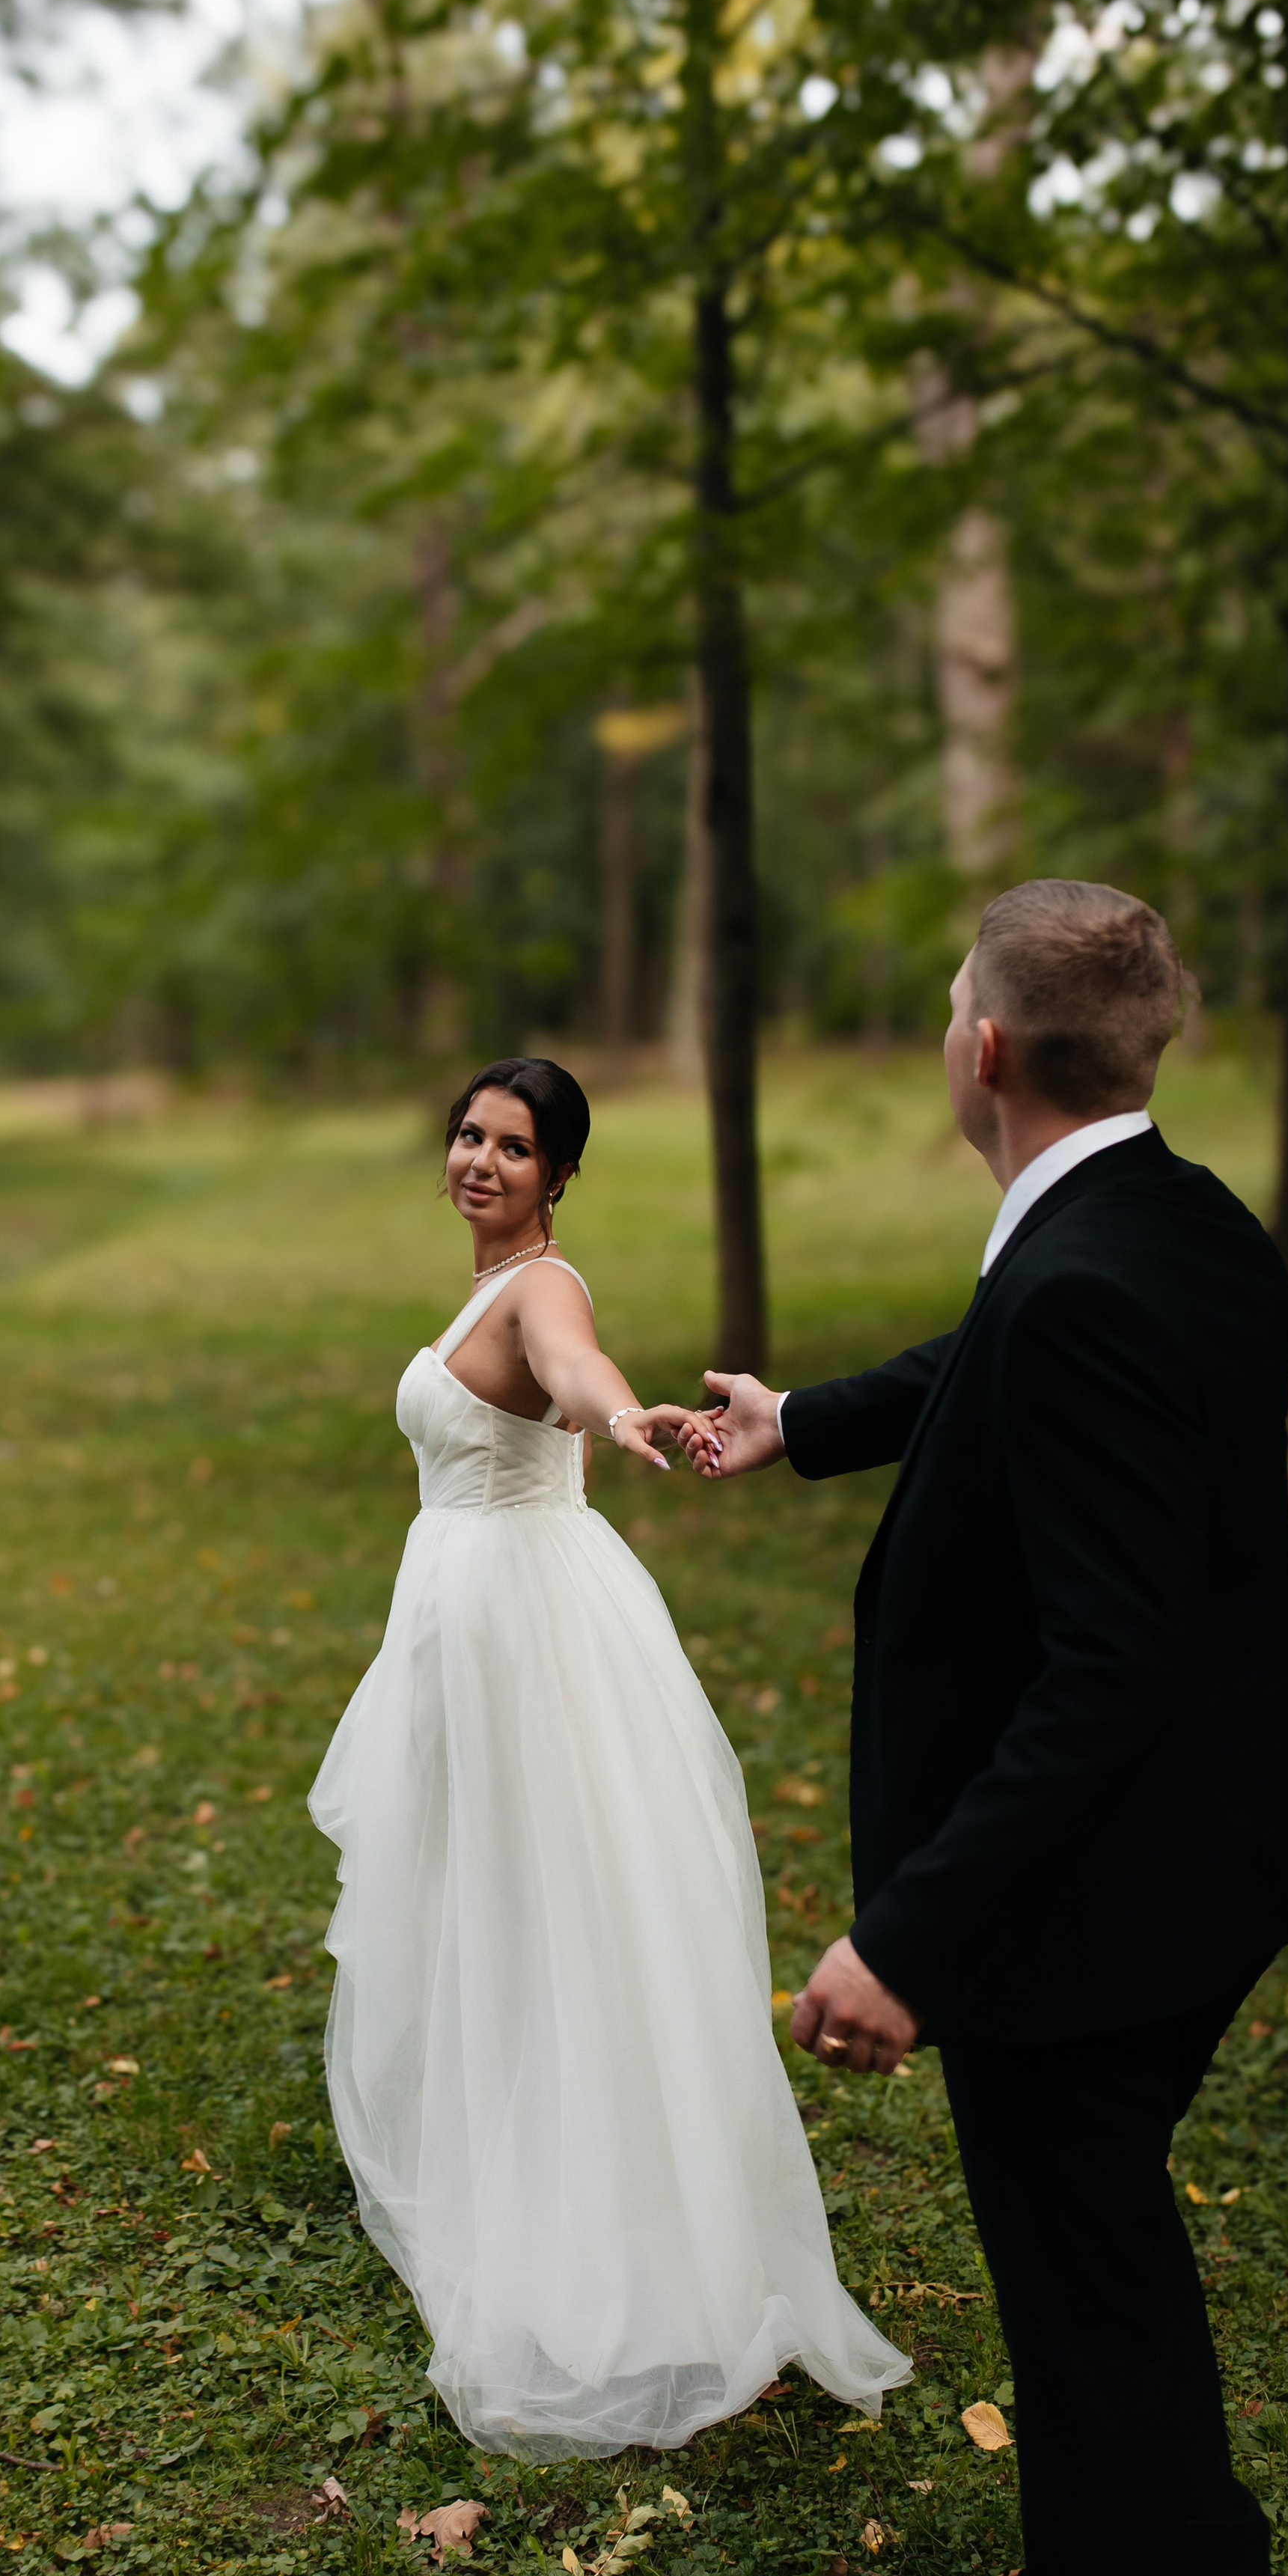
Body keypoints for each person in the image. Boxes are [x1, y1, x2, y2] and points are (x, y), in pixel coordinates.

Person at [683, 883, 1288, 2576]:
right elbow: (1001, 1356)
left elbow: (1106, 1668)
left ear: (981, 1049)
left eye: (945, 1005)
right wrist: (803, 1420)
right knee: (1110, 2247)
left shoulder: (1075, 1284)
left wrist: (910, 1937)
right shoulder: (1172, 1220)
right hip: (1212, 1851)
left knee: (1076, 2304)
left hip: (1102, 1903)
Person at [311, 1054, 909, 2459]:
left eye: (514, 1147)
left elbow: (576, 1373)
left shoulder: (543, 1287)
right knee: (488, 1897)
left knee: (555, 1901)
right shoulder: (486, 1287)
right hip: (470, 1621)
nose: (480, 1161)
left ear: (559, 1175)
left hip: (523, 1629)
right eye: (468, 1134)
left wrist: (626, 1413)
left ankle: (597, 2214)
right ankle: (504, 2150)